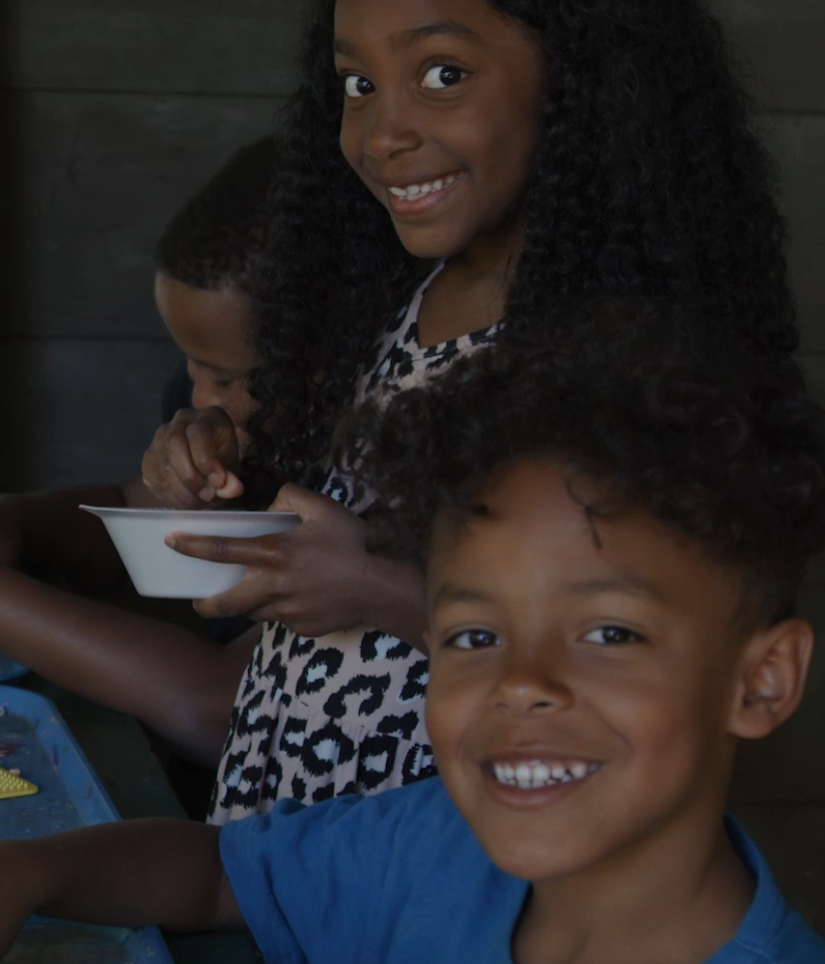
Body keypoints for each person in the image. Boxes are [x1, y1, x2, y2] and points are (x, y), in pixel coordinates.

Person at [3, 305, 824, 963]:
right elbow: (221, 875)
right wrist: (31, 871)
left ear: (762, 680)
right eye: (472, 635)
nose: (519, 682)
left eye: (608, 633)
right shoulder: (433, 847)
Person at [144, 0, 799, 823]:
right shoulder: (398, 293)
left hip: (464, 861)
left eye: (443, 74)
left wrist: (374, 589)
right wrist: (220, 468)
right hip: (296, 851)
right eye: (357, 83)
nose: (382, 135)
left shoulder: (626, 359)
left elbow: (632, 665)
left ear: (584, 85)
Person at [0, 137, 278, 768]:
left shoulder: (383, 471)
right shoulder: (215, 414)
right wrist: (19, 518)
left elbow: (222, 707)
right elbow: (142, 512)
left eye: (229, 378)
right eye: (190, 362)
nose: (199, 393)